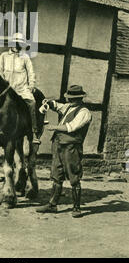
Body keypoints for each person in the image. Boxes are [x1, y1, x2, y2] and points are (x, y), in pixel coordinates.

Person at [36, 84, 92, 218]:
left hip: (71, 147)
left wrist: (53, 127)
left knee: (74, 176)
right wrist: (47, 103)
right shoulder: (68, 107)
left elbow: (71, 127)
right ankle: (52, 205)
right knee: (57, 174)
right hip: (58, 145)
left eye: (72, 99)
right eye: (69, 98)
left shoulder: (84, 112)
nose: (69, 101)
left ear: (79, 99)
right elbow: (57, 105)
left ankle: (76, 208)